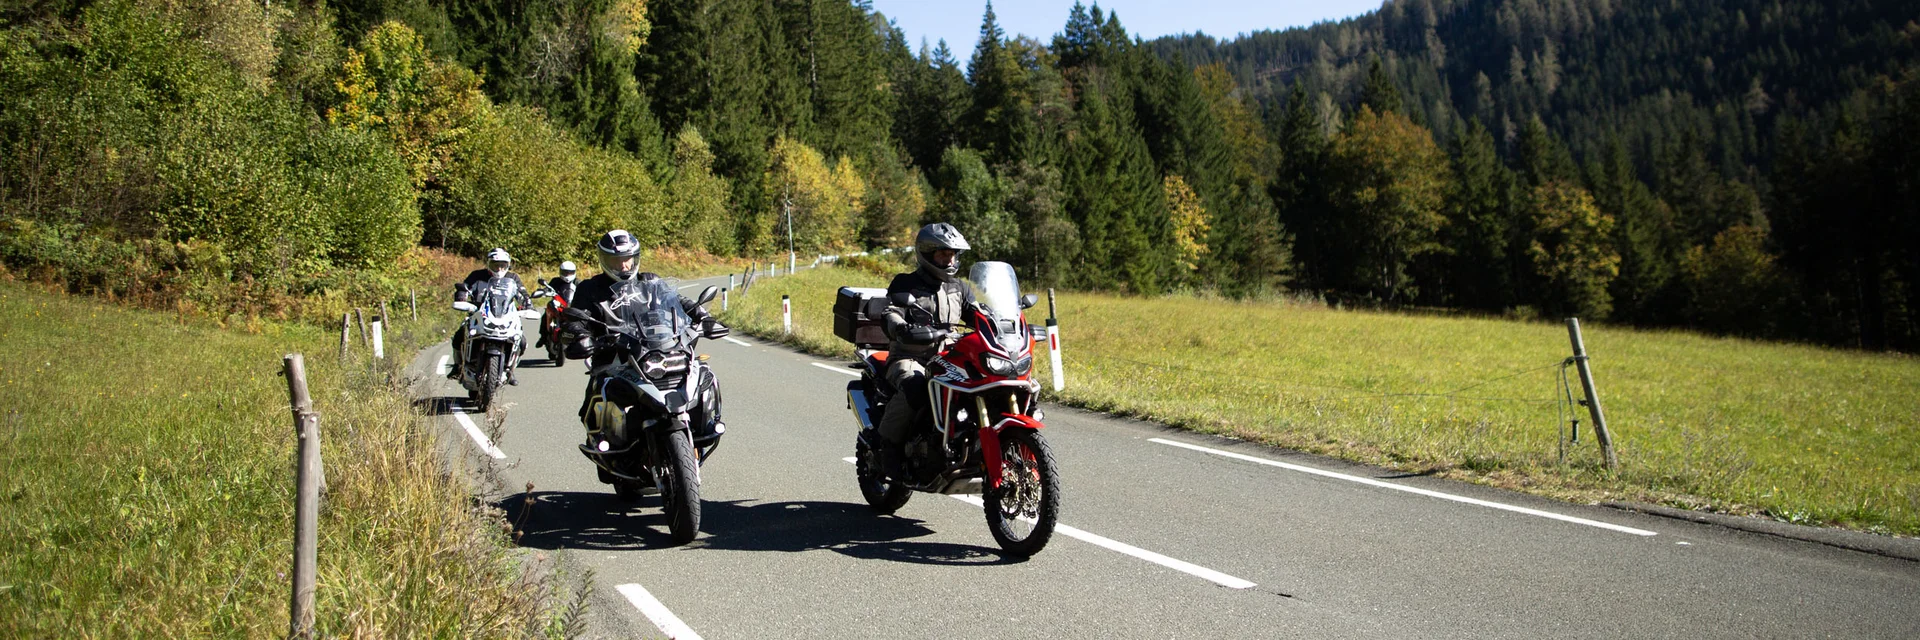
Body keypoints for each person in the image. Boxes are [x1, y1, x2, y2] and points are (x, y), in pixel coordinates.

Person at [563, 230, 730, 413]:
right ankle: (600, 437)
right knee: (596, 398)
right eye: (616, 260)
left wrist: (703, 317)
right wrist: (581, 335)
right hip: (613, 357)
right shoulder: (590, 288)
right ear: (604, 260)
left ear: (635, 257)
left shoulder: (651, 281)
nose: (624, 265)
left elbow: (679, 301)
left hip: (656, 350)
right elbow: (575, 318)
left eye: (627, 258)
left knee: (698, 372)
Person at [875, 223, 977, 471]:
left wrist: (1002, 323)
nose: (949, 259)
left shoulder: (959, 287)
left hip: (949, 359)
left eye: (952, 254)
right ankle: (886, 447)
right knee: (917, 386)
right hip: (911, 357)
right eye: (943, 254)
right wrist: (901, 328)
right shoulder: (905, 283)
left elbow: (977, 314)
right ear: (927, 254)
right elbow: (891, 312)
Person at [450, 248, 533, 384]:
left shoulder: (513, 278)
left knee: (521, 342)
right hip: (478, 315)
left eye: (502, 265)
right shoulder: (477, 275)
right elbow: (465, 288)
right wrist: (461, 297)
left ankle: (510, 369)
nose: (499, 268)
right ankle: (457, 366)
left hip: (505, 317)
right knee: (459, 336)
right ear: (489, 263)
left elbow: (523, 294)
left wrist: (528, 305)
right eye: (495, 264)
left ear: (508, 265)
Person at [535, 261, 578, 349]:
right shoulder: (556, 281)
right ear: (561, 272)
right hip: (557, 304)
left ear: (574, 272)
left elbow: (583, 291)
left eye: (570, 272)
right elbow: (548, 288)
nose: (567, 274)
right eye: (565, 272)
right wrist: (544, 292)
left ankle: (582, 339)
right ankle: (543, 337)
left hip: (571, 305)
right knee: (545, 316)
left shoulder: (577, 282)